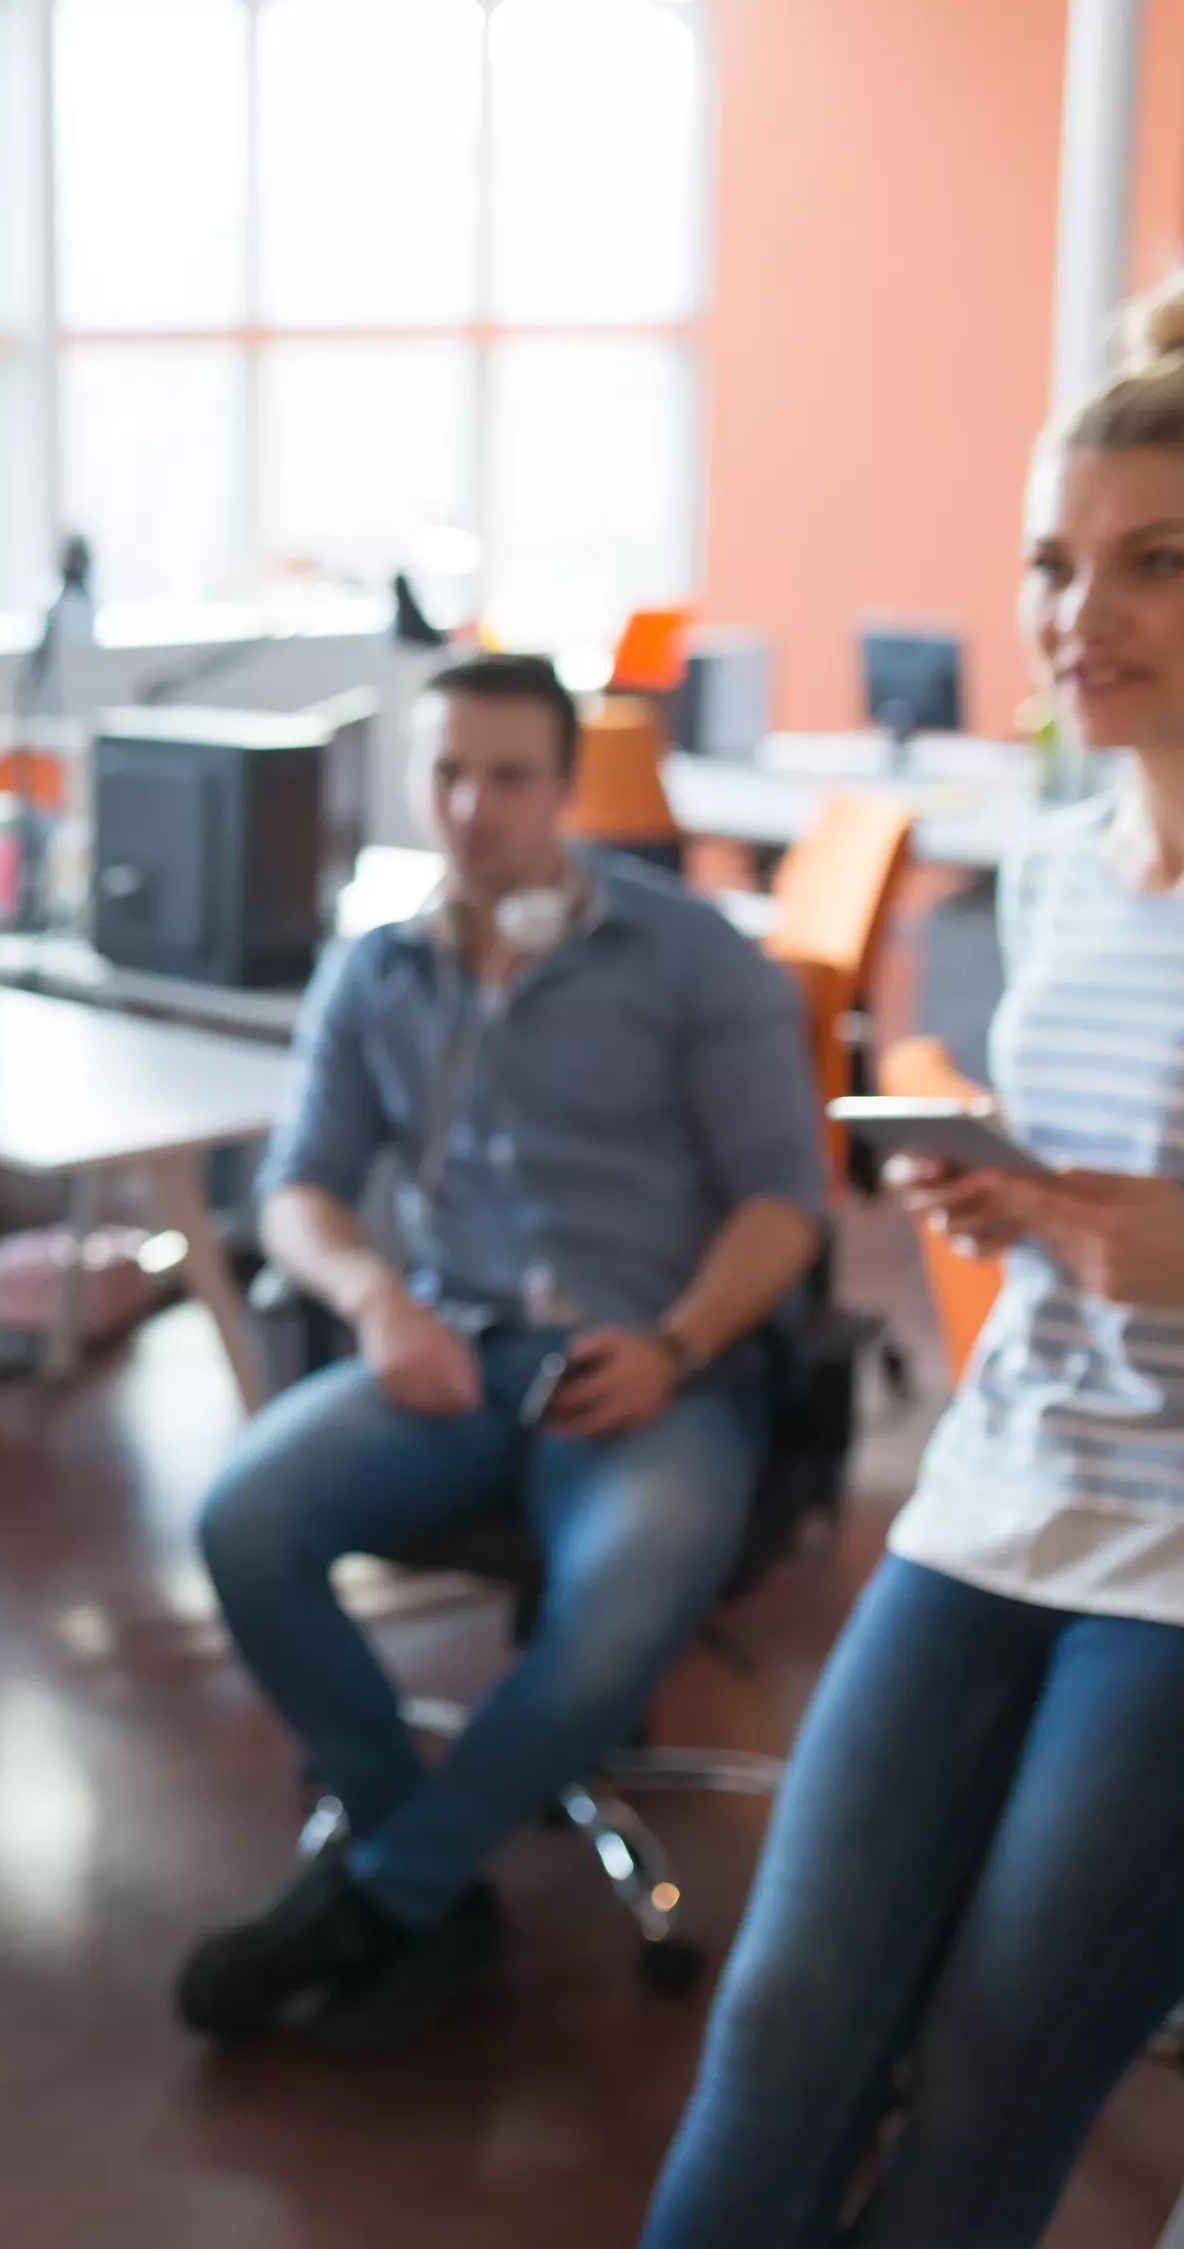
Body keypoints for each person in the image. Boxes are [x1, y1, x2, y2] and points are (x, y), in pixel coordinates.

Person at [645, 280, 1184, 2249]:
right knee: (780, 2032)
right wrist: (1009, 1192)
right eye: (1054, 562)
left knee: (986, 2086)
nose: (1080, 612)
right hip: (992, 1500)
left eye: (1155, 561)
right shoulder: (1051, 868)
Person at [177, 651, 829, 2054]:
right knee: (243, 1519)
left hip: (654, 1365)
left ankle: (379, 1896)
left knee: (620, 1600)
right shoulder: (382, 967)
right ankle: (415, 1860)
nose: (472, 808)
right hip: (453, 1351)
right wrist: (374, 1298)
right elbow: (297, 1190)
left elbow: (787, 1203)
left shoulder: (690, 958)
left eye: (509, 777)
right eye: (447, 773)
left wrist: (678, 1343)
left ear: (568, 787)